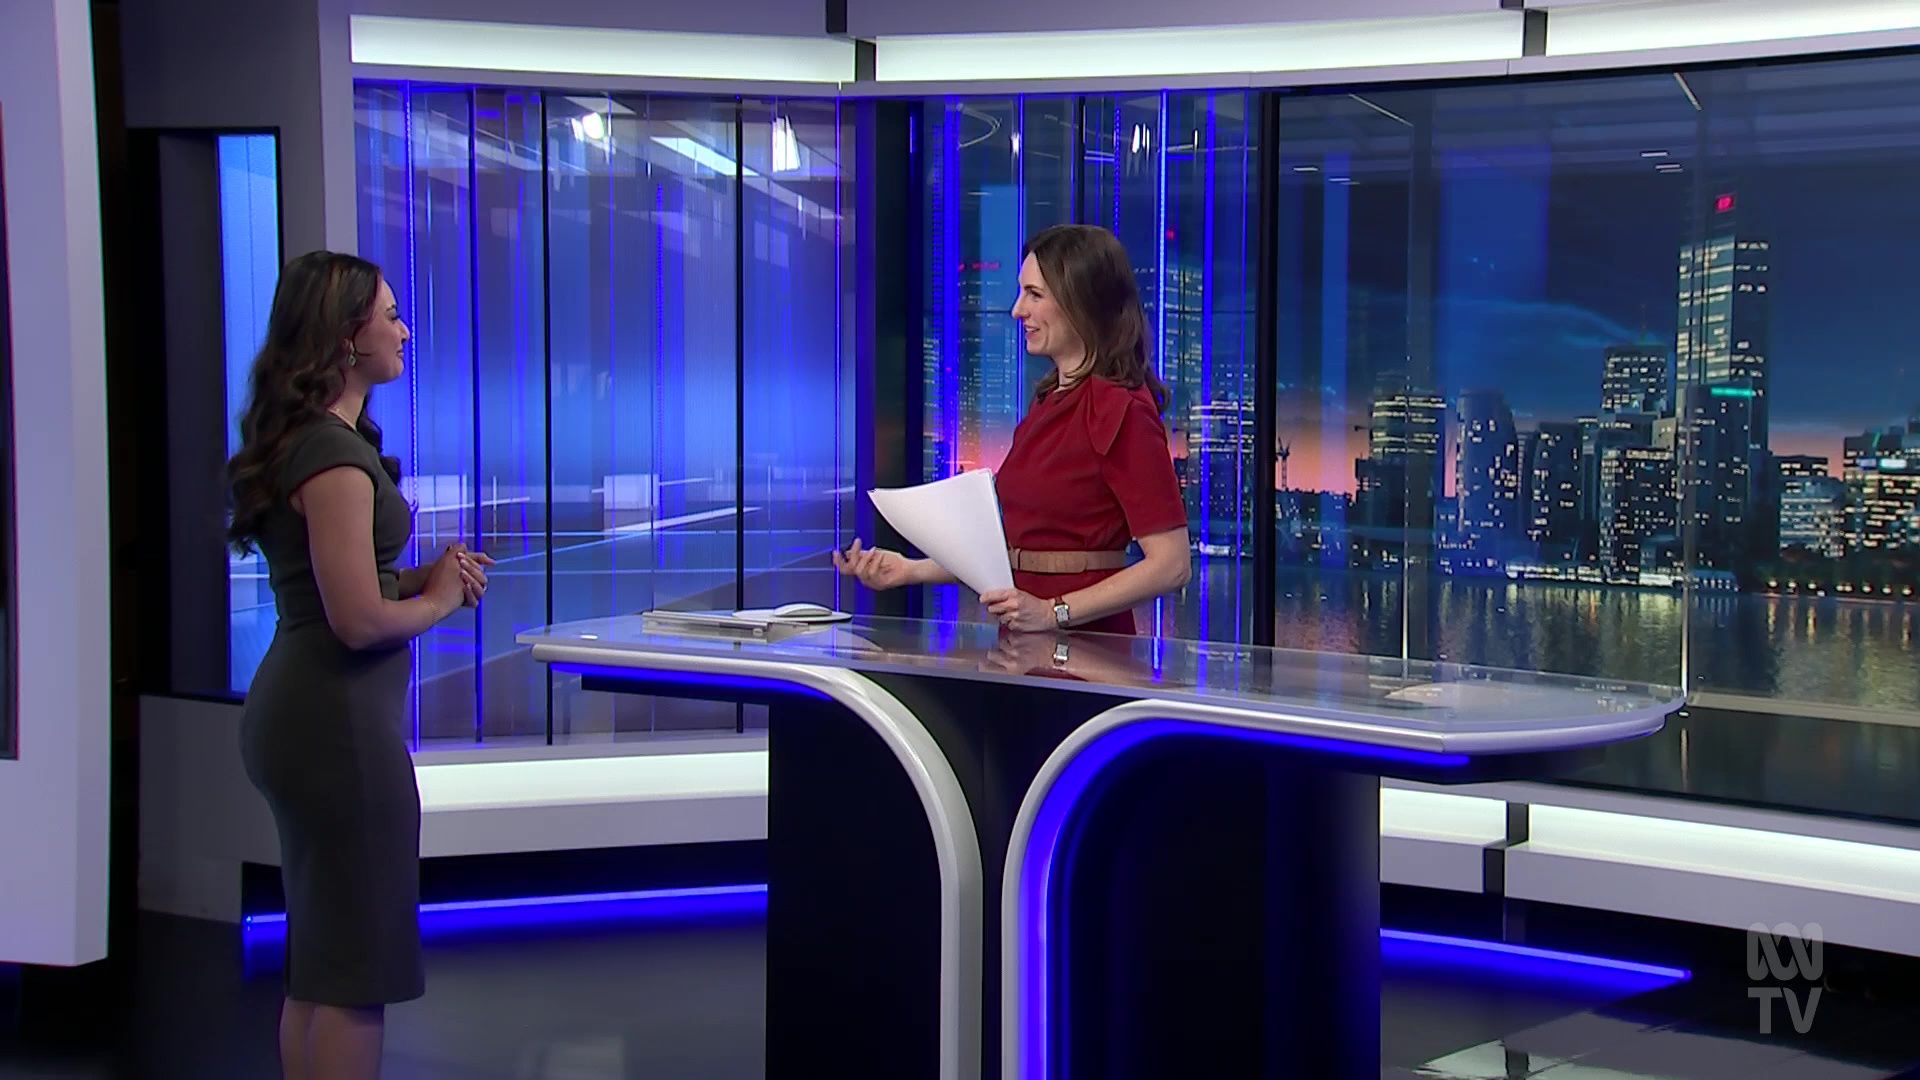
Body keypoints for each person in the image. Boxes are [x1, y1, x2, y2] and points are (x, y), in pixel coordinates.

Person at [226, 251, 491, 1080]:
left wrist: (423, 578)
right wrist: (438, 602)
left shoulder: (315, 442)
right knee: (354, 973)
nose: (404, 331)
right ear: (346, 336)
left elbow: (343, 587)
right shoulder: (333, 457)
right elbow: (358, 620)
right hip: (333, 729)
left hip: (303, 719)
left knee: (322, 962)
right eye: (391, 315)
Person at [837, 224, 1190, 633]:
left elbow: (1172, 564)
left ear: (1081, 301)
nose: (1017, 310)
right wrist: (909, 570)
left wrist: (1054, 612)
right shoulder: (1048, 403)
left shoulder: (1122, 411)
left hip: (1086, 647)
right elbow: (1022, 551)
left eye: (1034, 294)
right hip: (1024, 640)